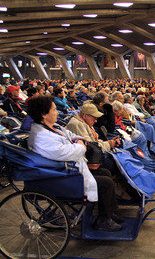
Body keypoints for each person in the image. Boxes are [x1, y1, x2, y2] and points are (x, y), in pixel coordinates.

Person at [27, 96, 123, 231]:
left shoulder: (53, 127)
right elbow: (70, 152)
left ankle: (108, 213)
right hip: (60, 177)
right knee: (105, 183)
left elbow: (71, 135)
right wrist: (81, 145)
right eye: (54, 110)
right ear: (44, 114)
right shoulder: (41, 137)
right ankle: (103, 221)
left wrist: (78, 140)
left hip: (70, 169)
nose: (57, 112)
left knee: (105, 173)